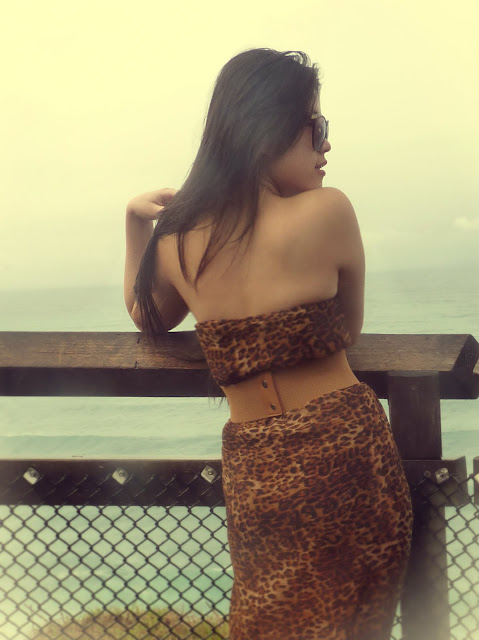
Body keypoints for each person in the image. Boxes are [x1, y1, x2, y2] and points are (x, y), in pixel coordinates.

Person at [124, 48, 413, 640]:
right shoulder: (329, 211)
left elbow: (146, 316)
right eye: (316, 126)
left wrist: (135, 224)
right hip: (340, 453)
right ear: (265, 131)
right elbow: (349, 327)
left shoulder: (178, 240)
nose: (326, 144)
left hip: (263, 464)